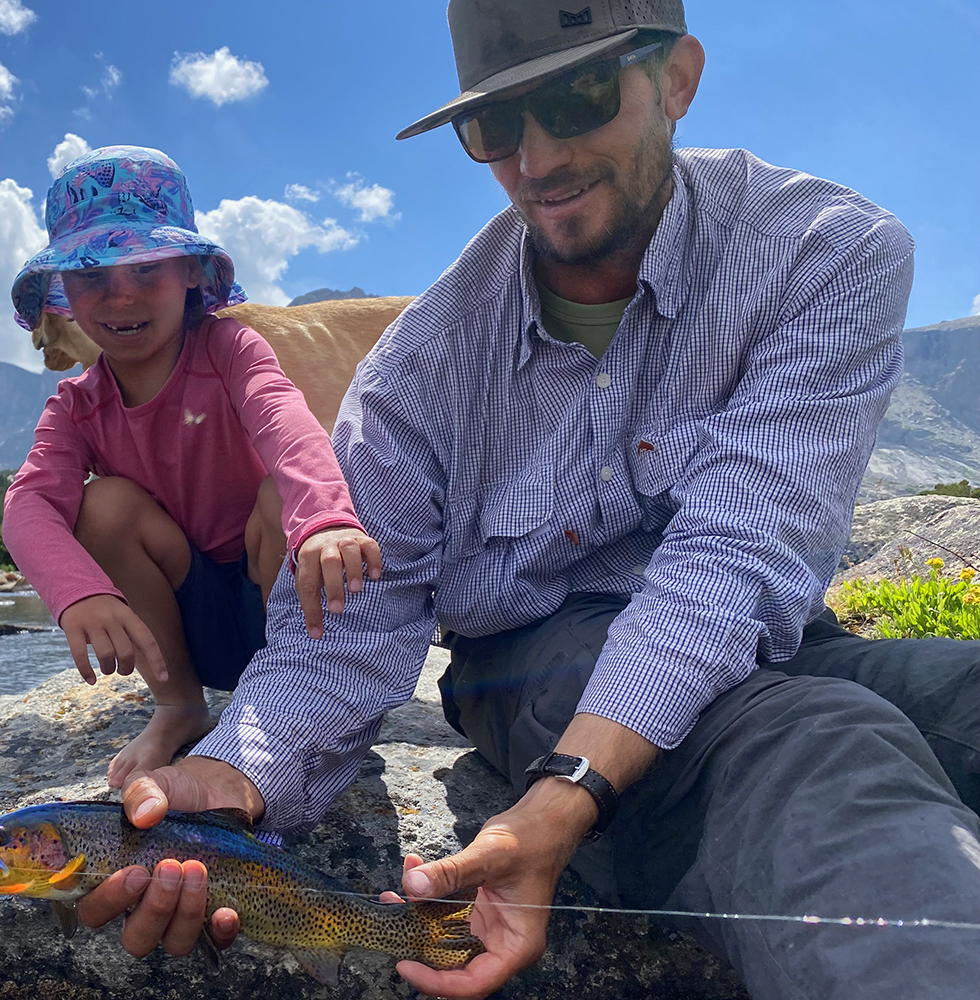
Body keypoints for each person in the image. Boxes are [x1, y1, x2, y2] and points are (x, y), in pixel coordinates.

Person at [71, 3, 980, 997]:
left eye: (581, 96)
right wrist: (242, 766)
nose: (538, 158)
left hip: (779, 632)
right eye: (496, 126)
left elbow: (739, 560)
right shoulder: (417, 369)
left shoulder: (824, 252)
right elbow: (356, 620)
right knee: (814, 748)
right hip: (533, 656)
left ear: (677, 78)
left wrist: (568, 790)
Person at [3, 145, 382, 788]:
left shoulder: (231, 347)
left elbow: (285, 423)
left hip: (285, 614)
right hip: (189, 628)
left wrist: (324, 520)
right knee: (104, 505)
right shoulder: (77, 405)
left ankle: (293, 697)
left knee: (275, 496)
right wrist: (79, 594)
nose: (121, 296)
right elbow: (30, 503)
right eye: (93, 275)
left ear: (188, 273)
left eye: (146, 268)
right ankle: (179, 704)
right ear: (63, 291)